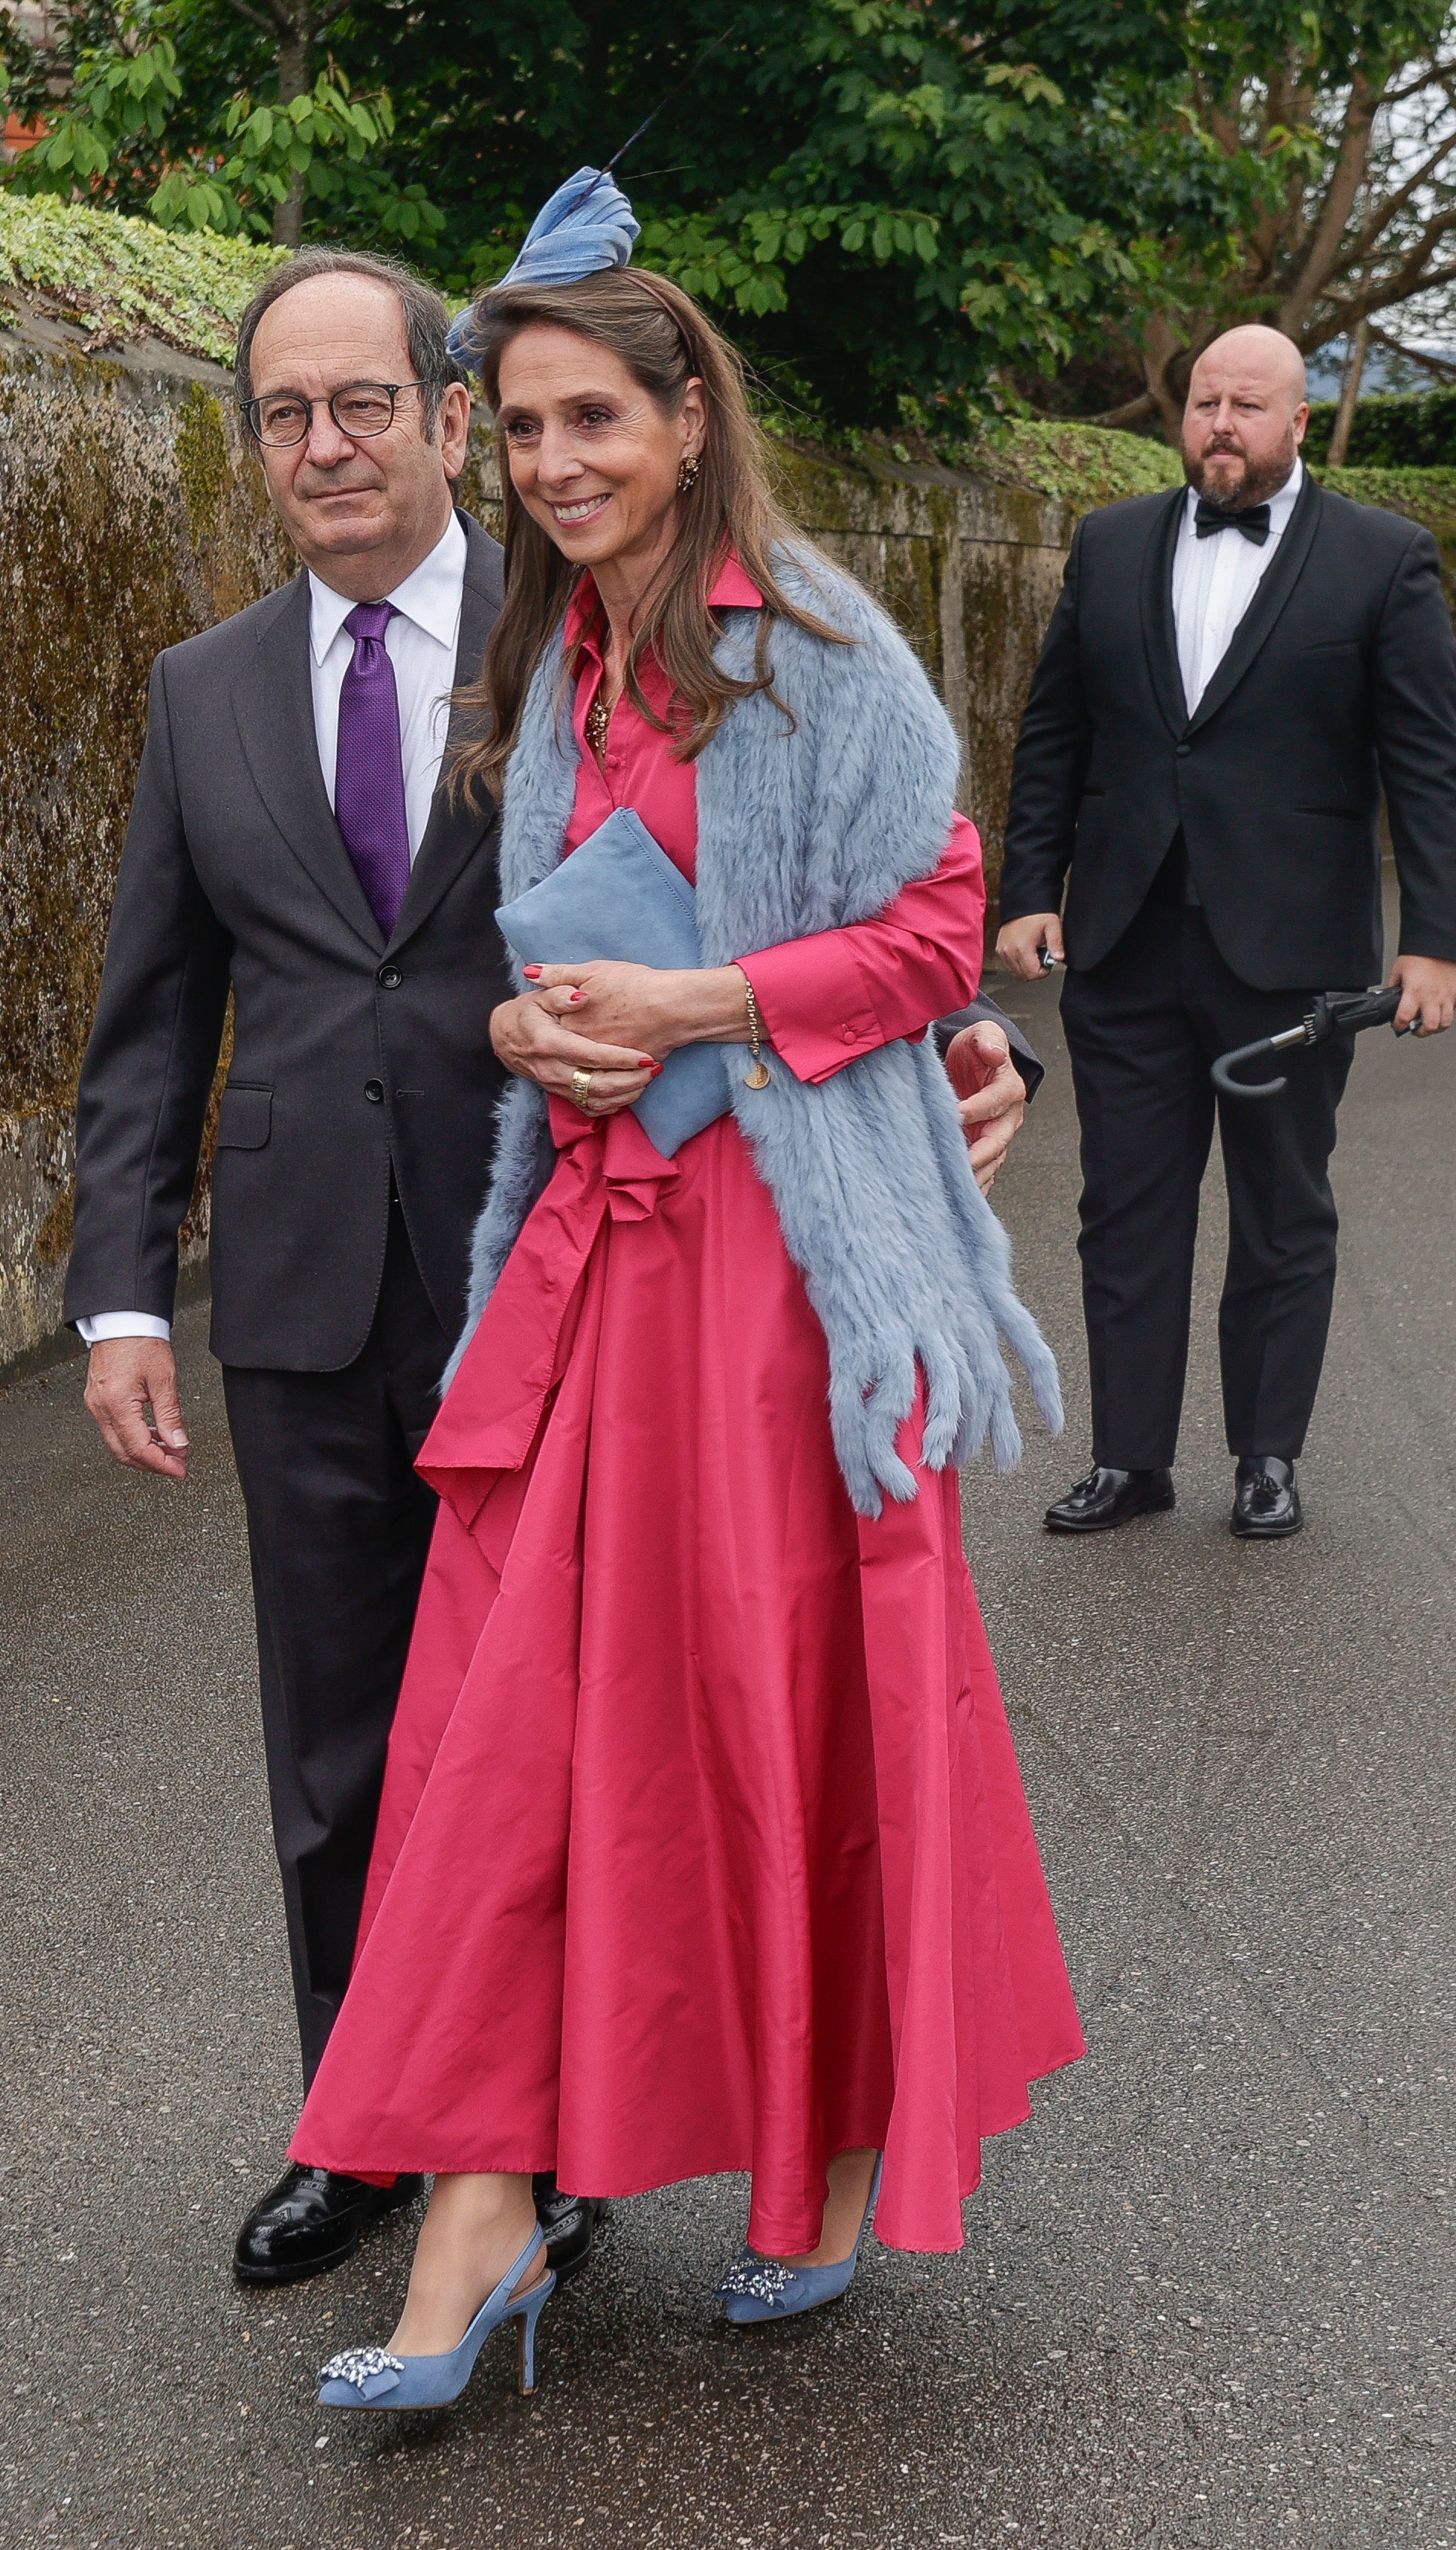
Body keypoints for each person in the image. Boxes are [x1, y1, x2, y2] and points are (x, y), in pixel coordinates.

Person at [63, 245, 1037, 2297]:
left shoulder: (596, 636)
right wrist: (125, 1296)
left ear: (437, 419)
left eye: (371, 405)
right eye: (281, 416)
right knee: (355, 1745)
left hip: (597, 1276)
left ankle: (561, 2149)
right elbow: (150, 1016)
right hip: (332, 1279)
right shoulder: (216, 689)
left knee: (610, 1723)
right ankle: (373, 2134)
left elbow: (853, 874)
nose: (327, 446)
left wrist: (956, 1047)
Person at [283, 214, 1084, 2417]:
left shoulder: (815, 642)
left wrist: (713, 998)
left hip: (774, 1283)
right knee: (535, 1722)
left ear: (688, 417)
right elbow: (551, 973)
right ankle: (486, 2203)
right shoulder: (562, 668)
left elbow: (936, 933)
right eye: (524, 425)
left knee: (779, 1709)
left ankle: (808, 2162)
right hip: (599, 1255)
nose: (553, 461)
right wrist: (544, 1041)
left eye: (594, 419)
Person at [991, 324, 1456, 1543]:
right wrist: (1027, 887)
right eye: (1203, 401)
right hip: (1125, 937)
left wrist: (1437, 938)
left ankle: (1266, 1454)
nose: (1219, 423)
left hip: (1293, 950)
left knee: (1281, 1207)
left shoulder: (1384, 560)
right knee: (1127, 1207)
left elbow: (1426, 765)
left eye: (1246, 405)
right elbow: (1055, 735)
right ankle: (1130, 1458)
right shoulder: (1109, 546)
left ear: (1299, 423)